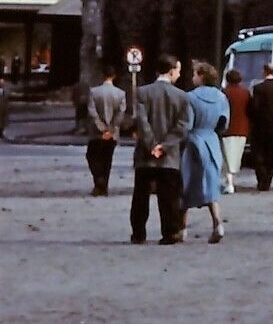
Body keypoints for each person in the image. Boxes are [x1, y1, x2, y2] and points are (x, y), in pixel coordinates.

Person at [130, 54, 192, 245]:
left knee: (141, 196)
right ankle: (170, 232)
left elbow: (141, 121)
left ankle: (139, 232)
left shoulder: (141, 92)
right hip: (169, 156)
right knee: (169, 197)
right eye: (178, 70)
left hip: (145, 155)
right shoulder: (182, 96)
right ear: (172, 70)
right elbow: (183, 126)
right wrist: (164, 146)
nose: (179, 74)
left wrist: (151, 144)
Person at [181, 62, 230, 244]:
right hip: (211, 140)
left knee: (187, 184)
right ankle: (217, 223)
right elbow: (224, 123)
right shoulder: (221, 97)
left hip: (194, 140)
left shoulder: (190, 97)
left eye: (194, 74)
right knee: (211, 183)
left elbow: (187, 123)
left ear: (201, 76)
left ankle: (182, 228)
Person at [246, 63, 273, 191]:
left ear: (264, 72)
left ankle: (261, 178)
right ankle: (268, 179)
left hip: (261, 126)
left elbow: (254, 107)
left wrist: (252, 119)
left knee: (259, 153)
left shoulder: (258, 88)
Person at [87, 64, 126, 196]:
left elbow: (92, 112)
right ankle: (104, 186)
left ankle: (99, 182)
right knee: (107, 159)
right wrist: (111, 129)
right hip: (112, 133)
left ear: (102, 75)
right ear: (114, 76)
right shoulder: (120, 94)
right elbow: (120, 114)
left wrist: (101, 128)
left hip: (96, 134)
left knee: (92, 156)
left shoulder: (94, 92)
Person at [220, 70, 251, 195]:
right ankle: (231, 180)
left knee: (226, 156)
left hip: (227, 129)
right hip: (242, 128)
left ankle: (229, 182)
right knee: (236, 156)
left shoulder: (224, 93)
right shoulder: (246, 92)